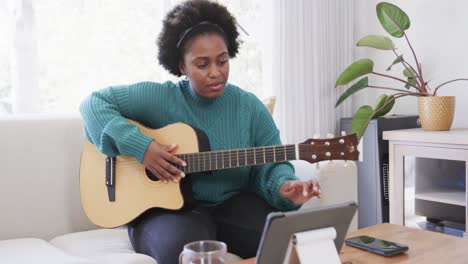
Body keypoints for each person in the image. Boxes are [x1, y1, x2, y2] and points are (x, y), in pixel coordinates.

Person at [80, 0, 321, 263]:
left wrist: (284, 186)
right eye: (202, 65)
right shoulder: (159, 97)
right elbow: (92, 104)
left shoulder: (249, 107)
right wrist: (143, 148)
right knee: (184, 251)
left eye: (222, 61)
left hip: (230, 206)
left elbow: (273, 166)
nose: (215, 73)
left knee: (289, 239)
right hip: (165, 212)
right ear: (182, 66)